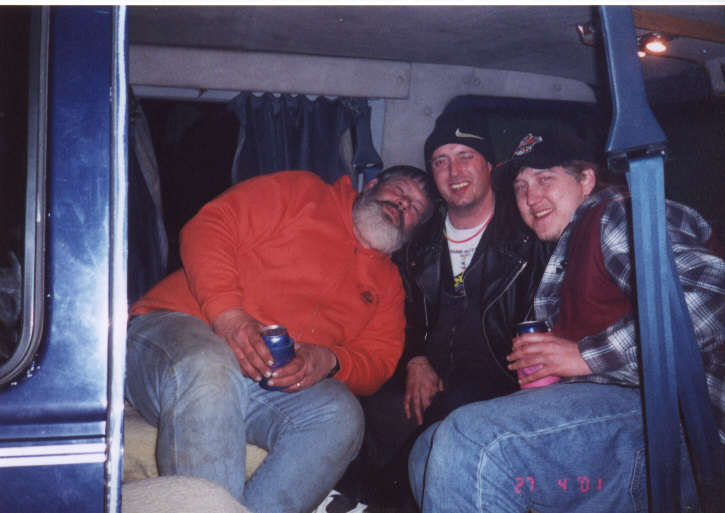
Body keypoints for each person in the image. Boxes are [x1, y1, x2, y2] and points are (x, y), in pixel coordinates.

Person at [408, 130, 725, 512]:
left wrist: (585, 356)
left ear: (586, 180)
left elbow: (712, 297)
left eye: (545, 179)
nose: (531, 198)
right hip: (619, 414)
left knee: (471, 441)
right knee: (429, 449)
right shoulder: (563, 254)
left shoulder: (616, 214)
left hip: (683, 420)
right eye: (521, 187)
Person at [125, 165, 437, 513]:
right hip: (176, 332)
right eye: (399, 191)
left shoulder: (389, 285)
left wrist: (331, 360)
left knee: (341, 415)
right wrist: (229, 315)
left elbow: (379, 361)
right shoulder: (303, 192)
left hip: (259, 383)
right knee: (210, 365)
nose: (403, 205)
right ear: (372, 184)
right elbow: (210, 225)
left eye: (415, 209)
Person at [335, 111, 551, 512]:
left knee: (449, 420)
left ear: (489, 165)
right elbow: (396, 312)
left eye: (466, 156)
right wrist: (415, 358)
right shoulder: (414, 236)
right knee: (358, 406)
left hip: (501, 380)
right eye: (440, 161)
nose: (454, 171)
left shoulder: (527, 233)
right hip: (427, 371)